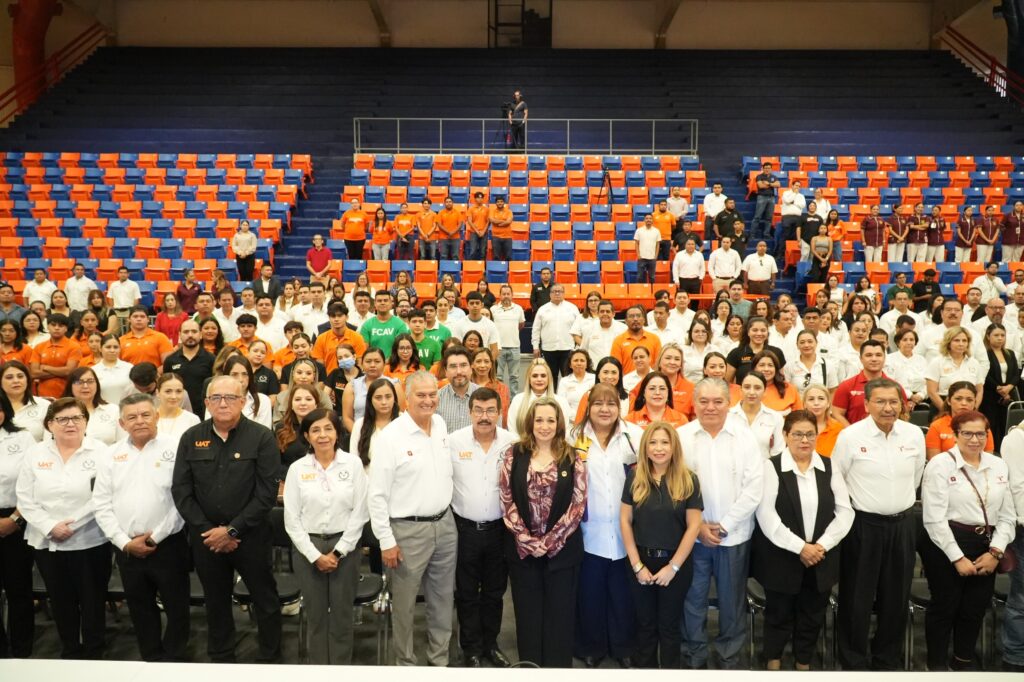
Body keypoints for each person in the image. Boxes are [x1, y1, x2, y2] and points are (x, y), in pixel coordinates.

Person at [171, 375, 282, 663]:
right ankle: (221, 658)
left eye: (230, 397)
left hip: (251, 536)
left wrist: (232, 531)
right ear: (206, 403)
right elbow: (181, 491)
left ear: (243, 402)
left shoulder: (262, 437)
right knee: (215, 601)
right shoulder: (191, 438)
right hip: (206, 539)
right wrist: (210, 531)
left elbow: (267, 494)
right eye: (216, 398)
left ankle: (271, 659)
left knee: (265, 599)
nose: (223, 403)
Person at [831, 377, 925, 670]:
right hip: (863, 526)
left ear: (902, 404)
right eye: (881, 401)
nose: (888, 408)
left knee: (896, 597)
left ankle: (887, 660)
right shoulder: (850, 436)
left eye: (894, 402)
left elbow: (916, 476)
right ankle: (853, 661)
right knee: (856, 597)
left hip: (902, 526)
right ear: (867, 404)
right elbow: (837, 480)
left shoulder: (913, 434)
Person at [752, 409, 854, 671]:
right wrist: (800, 547)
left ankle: (803, 664)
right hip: (782, 555)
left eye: (810, 434)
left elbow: (845, 511)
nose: (804, 440)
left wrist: (821, 546)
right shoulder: (772, 466)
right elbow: (766, 515)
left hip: (821, 555)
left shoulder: (829, 466)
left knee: (812, 615)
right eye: (797, 434)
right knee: (778, 614)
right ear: (786, 435)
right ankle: (773, 663)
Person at [368, 371, 458, 666]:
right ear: (406, 398)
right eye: (421, 395)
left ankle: (439, 660)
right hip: (407, 531)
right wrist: (386, 540)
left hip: (445, 525)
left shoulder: (441, 424)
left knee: (443, 599)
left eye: (433, 394)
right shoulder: (390, 437)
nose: (428, 400)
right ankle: (405, 664)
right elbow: (376, 495)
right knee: (404, 605)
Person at [92, 393, 190, 662]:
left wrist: (156, 537)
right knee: (139, 607)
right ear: (122, 424)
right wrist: (123, 542)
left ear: (157, 416)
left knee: (177, 607)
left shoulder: (176, 448)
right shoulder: (111, 454)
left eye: (146, 414)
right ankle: (150, 658)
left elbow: (183, 499)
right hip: (127, 547)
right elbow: (101, 503)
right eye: (132, 417)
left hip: (168, 543)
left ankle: (174, 659)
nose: (139, 421)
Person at [919, 409, 1015, 670]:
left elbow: (1008, 515)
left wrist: (995, 552)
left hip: (986, 545)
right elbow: (933, 519)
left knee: (974, 608)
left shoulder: (998, 464)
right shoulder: (940, 464)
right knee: (945, 607)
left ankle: (962, 663)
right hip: (946, 542)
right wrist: (957, 558)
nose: (975, 440)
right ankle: (936, 667)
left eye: (980, 434)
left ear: (988, 435)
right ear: (955, 434)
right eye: (967, 434)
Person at [677, 378, 763, 669]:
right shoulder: (682, 437)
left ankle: (729, 658)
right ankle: (694, 656)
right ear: (694, 403)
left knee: (731, 603)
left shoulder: (745, 438)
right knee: (692, 600)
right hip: (693, 537)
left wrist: (724, 525)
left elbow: (754, 489)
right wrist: (699, 527)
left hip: (734, 536)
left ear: (729, 403)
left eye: (717, 401)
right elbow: (674, 488)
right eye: (703, 401)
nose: (710, 407)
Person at [16, 398, 111, 659]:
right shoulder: (35, 454)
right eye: (62, 419)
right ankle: (70, 650)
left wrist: (72, 524)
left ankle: (94, 652)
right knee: (60, 601)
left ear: (85, 421)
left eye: (77, 417)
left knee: (93, 600)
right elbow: (24, 496)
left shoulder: (101, 452)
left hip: (90, 539)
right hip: (46, 541)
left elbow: (103, 496)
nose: (71, 424)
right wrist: (50, 526)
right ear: (50, 425)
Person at [500, 397, 586, 667]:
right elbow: (506, 499)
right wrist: (527, 540)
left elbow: (577, 505)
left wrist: (549, 542)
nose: (545, 426)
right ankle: (530, 668)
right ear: (530, 423)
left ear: (559, 423)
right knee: (527, 616)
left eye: (550, 420)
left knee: (559, 617)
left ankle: (557, 670)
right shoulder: (514, 454)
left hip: (562, 553)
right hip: (523, 554)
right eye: (539, 420)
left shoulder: (572, 456)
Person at [282, 408, 367, 665]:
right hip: (308, 547)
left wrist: (339, 551)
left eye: (328, 428)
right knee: (316, 616)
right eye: (315, 430)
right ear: (306, 436)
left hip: (346, 547)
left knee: (342, 616)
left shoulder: (353, 465)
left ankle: (341, 670)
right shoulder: (297, 469)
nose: (322, 435)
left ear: (337, 433)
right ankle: (318, 670)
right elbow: (291, 519)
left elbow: (361, 512)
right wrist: (315, 555)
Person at [619, 420, 701, 669]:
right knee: (645, 626)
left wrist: (673, 567)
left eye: (665, 442)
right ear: (645, 448)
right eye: (653, 442)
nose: (659, 448)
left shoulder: (689, 479)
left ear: (674, 447)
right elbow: (625, 521)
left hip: (675, 565)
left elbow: (694, 527)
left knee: (669, 627)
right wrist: (637, 565)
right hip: (640, 562)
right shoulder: (635, 477)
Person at [572, 383, 641, 668]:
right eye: (598, 403)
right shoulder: (575, 438)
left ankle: (624, 647)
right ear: (589, 407)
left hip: (626, 531)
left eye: (610, 403)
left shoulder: (632, 436)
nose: (604, 409)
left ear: (619, 407)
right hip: (588, 531)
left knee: (623, 594)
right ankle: (592, 646)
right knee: (590, 593)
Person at [447, 387, 516, 668]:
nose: (484, 416)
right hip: (464, 530)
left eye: (490, 411)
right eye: (478, 410)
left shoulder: (512, 442)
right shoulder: (454, 442)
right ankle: (471, 649)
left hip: (500, 531)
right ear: (470, 412)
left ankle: (491, 645)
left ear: (499, 413)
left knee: (494, 592)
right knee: (466, 593)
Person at [0, 390, 40, 657]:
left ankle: (22, 651)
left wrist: (15, 518)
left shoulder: (23, 437)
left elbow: (34, 482)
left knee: (19, 589)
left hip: (17, 517)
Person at [508, 359, 571, 440]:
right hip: (522, 446)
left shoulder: (561, 402)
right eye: (535, 376)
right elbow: (512, 431)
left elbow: (565, 431)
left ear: (549, 379)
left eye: (543, 376)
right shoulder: (518, 400)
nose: (539, 379)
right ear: (529, 379)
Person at [531, 284, 579, 391]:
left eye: (559, 291)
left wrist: (578, 347)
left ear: (563, 293)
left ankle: (567, 398)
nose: (557, 293)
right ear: (550, 294)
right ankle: (551, 398)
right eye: (554, 291)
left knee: (568, 377)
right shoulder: (543, 309)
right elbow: (536, 329)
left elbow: (579, 328)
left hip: (568, 349)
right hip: (549, 349)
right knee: (551, 378)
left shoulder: (572, 308)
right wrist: (535, 346)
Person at [59, 367, 122, 446]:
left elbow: (123, 442)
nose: (85, 386)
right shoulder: (59, 412)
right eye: (79, 382)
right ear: (70, 386)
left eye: (90, 381)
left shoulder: (113, 410)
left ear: (97, 384)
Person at [925, 326, 984, 411]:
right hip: (942, 408)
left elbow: (979, 391)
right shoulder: (937, 362)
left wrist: (973, 409)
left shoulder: (974, 363)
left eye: (964, 341)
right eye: (957, 340)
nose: (961, 344)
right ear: (948, 343)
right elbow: (931, 392)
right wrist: (947, 412)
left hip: (968, 409)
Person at [730, 371, 784, 459]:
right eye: (747, 387)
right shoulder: (727, 416)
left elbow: (777, 452)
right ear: (740, 390)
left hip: (765, 466)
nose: (751, 392)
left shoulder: (775, 418)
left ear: (765, 391)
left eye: (757, 388)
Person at [801, 384, 846, 457]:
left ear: (828, 403)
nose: (816, 403)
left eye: (821, 398)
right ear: (804, 404)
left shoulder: (838, 428)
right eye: (811, 399)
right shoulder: (796, 427)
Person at [556, 349, 595, 418]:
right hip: (570, 419)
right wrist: (575, 416)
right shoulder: (564, 381)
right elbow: (561, 403)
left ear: (587, 364)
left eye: (582, 360)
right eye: (576, 360)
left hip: (592, 418)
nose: (579, 363)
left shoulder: (594, 379)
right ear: (570, 365)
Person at [751, 162, 780, 241]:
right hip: (762, 197)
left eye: (769, 168)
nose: (767, 169)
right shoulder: (759, 176)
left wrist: (769, 184)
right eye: (766, 168)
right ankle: (752, 234)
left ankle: (766, 234)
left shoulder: (774, 177)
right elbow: (761, 186)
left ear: (771, 169)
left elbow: (778, 184)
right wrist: (772, 184)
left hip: (771, 198)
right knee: (757, 217)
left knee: (769, 218)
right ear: (763, 169)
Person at [634, 214, 661, 284]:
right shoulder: (639, 230)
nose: (648, 220)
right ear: (644, 220)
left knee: (652, 277)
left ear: (652, 220)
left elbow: (658, 244)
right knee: (640, 277)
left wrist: (656, 256)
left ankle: (652, 290)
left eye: (650, 218)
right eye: (647, 218)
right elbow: (636, 243)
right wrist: (638, 255)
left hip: (652, 258)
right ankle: (640, 290)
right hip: (642, 257)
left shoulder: (656, 231)